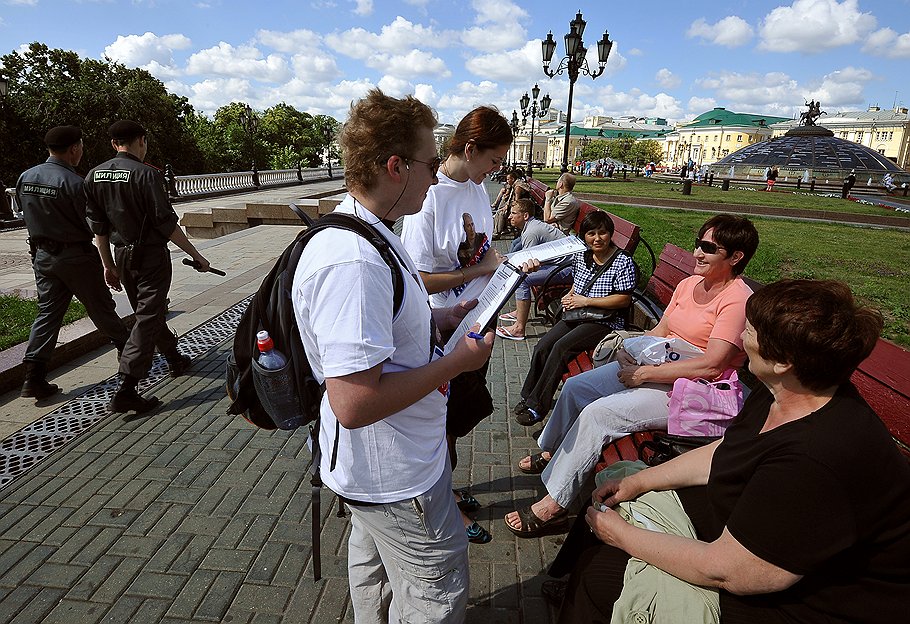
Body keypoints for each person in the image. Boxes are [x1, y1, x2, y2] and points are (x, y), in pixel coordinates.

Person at [556, 279, 910, 624]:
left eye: (751, 331)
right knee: (614, 499)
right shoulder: (782, 390)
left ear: (783, 360)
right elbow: (727, 450)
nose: (740, 338)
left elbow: (731, 573)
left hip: (807, 602)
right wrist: (639, 482)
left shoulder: (816, 454)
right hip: (751, 525)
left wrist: (622, 536)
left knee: (601, 578)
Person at [293, 89, 493, 623]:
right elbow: (354, 403)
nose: (436, 176)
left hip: (381, 470)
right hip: (395, 474)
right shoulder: (353, 260)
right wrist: (456, 363)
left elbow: (383, 330)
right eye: (430, 163)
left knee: (374, 573)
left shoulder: (372, 230)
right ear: (395, 166)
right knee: (435, 589)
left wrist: (440, 321)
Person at [505, 214, 759, 538]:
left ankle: (554, 506)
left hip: (693, 389)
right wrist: (634, 348)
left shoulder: (737, 300)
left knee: (599, 415)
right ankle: (554, 452)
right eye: (698, 243)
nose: (697, 252)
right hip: (656, 367)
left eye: (708, 248)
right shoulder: (689, 283)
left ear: (736, 257)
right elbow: (661, 331)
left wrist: (644, 374)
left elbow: (712, 364)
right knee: (576, 387)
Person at [401, 105, 515, 544]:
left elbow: (480, 251)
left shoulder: (475, 188)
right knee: (437, 420)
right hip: (442, 326)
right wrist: (476, 271)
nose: (495, 169)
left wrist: (507, 269)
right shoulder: (428, 197)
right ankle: (439, 503)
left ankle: (444, 489)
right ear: (469, 149)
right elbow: (416, 277)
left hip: (477, 317)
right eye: (492, 160)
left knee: (455, 417)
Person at [85, 120, 209, 414]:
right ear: (142, 140)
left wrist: (108, 265)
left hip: (122, 256)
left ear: (114, 144)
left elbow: (98, 227)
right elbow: (166, 224)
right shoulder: (147, 175)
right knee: (147, 316)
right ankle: (127, 386)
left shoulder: (93, 176)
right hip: (151, 257)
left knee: (148, 312)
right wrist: (197, 256)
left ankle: (173, 357)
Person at [16, 125, 130, 399]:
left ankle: (33, 376)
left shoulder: (25, 177)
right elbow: (95, 224)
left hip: (43, 257)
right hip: (75, 256)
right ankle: (129, 356)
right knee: (101, 308)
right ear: (74, 149)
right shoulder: (75, 183)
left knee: (48, 314)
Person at [507, 211, 636, 411]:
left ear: (610, 234)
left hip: (604, 321)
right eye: (591, 233)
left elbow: (623, 299)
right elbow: (579, 283)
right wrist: (570, 294)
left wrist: (585, 300)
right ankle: (528, 395)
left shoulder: (622, 261)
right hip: (578, 313)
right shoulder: (582, 256)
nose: (597, 238)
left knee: (561, 348)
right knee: (543, 345)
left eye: (602, 233)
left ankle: (537, 406)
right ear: (584, 236)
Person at [495, 198, 569, 341]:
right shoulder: (531, 226)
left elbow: (526, 263)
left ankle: (518, 329)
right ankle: (519, 311)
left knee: (522, 279)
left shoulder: (531, 232)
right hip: (560, 265)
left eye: (513, 213)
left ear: (525, 216)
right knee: (520, 275)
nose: (509, 216)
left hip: (567, 269)